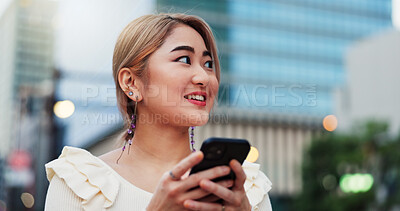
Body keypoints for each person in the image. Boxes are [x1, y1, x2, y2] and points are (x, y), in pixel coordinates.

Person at [44, 13, 272, 211]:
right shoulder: (79, 182)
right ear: (131, 82)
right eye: (184, 59)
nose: (204, 77)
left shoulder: (247, 188)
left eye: (208, 64)